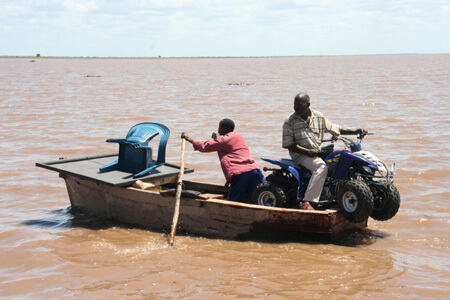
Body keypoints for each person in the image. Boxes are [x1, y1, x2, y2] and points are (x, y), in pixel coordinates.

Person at [282, 92, 365, 210]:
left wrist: (354, 132)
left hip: (317, 152)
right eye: (295, 105)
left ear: (308, 105)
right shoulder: (289, 121)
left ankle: (335, 194)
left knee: (338, 161)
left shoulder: (319, 117)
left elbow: (335, 129)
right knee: (321, 167)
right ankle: (307, 201)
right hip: (300, 155)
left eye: (299, 105)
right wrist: (307, 152)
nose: (296, 108)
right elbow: (288, 144)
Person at [181, 118, 265, 203]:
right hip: (255, 171)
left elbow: (205, 146)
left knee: (233, 202)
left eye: (219, 128)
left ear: (224, 129)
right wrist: (218, 138)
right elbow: (226, 144)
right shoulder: (239, 136)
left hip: (240, 174)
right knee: (258, 198)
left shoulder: (223, 140)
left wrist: (188, 138)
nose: (218, 129)